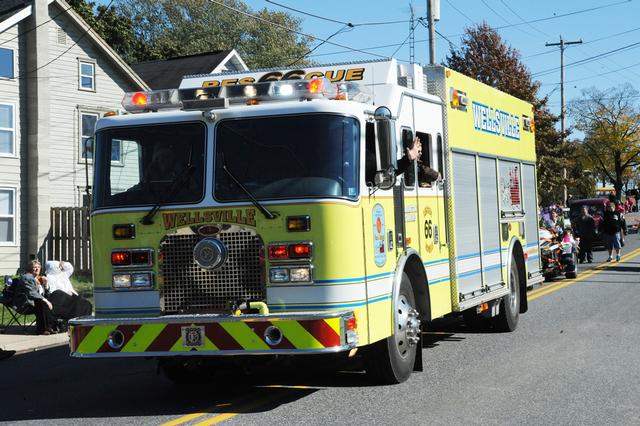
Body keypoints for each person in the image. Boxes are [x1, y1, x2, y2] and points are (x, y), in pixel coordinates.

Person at [13, 260, 57, 335]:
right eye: (34, 267)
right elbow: (31, 294)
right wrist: (46, 300)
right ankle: (41, 329)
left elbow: (45, 295)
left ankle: (51, 326)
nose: (37, 269)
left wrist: (45, 285)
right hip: (24, 304)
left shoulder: (38, 278)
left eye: (39, 267)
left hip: (34, 303)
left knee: (54, 300)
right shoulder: (27, 277)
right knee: (41, 302)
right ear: (30, 268)